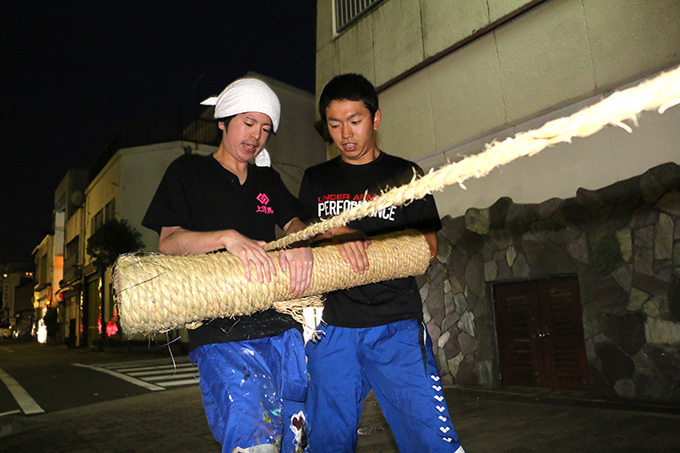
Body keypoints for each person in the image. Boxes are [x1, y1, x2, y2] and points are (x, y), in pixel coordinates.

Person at [142, 78, 312, 453]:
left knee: (297, 436)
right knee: (254, 439)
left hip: (281, 326)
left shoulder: (267, 179)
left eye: (266, 128)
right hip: (220, 331)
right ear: (223, 121)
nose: (257, 136)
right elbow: (169, 242)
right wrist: (226, 237)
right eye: (248, 123)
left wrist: (299, 240)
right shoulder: (187, 171)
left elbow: (295, 222)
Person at [298, 73, 464, 453]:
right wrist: (331, 234)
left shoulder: (405, 176)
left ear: (375, 119)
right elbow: (300, 240)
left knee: (430, 439)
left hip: (396, 327)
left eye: (354, 121)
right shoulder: (315, 179)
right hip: (331, 329)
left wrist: (365, 244)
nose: (345, 134)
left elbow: (429, 246)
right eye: (334, 125)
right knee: (326, 442)